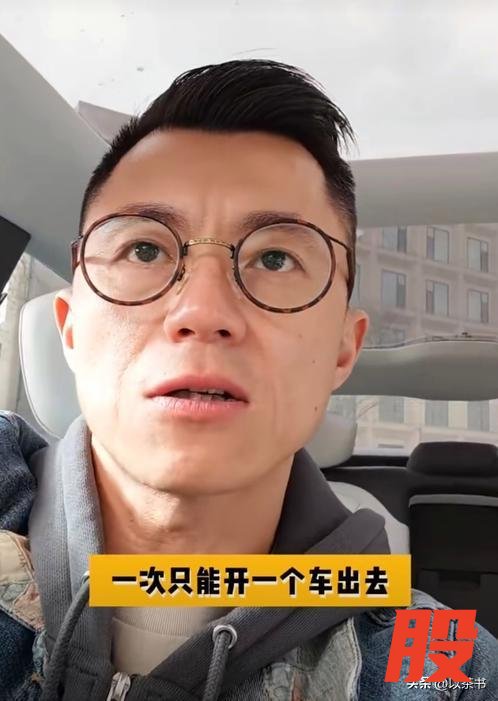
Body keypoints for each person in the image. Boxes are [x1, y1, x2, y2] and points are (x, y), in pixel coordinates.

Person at [0, 59, 496, 701]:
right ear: (70, 329)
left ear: (343, 350)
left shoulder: (445, 668)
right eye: (144, 250)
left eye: (276, 258)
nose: (203, 311)